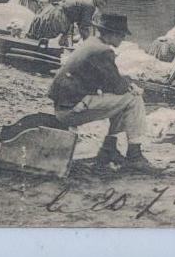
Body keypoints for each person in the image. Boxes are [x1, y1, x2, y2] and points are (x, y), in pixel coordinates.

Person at [47, 13, 154, 173]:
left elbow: (109, 82)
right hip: (70, 111)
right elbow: (117, 86)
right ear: (112, 34)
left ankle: (108, 149)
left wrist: (124, 83)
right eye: (121, 35)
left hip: (66, 105)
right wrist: (131, 85)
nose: (123, 39)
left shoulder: (91, 43)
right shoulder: (102, 51)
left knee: (123, 101)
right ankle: (134, 155)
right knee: (134, 99)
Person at [27, 0, 110, 46]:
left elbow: (82, 23)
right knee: (49, 39)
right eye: (104, 0)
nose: (105, 3)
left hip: (54, 11)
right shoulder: (90, 4)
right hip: (58, 16)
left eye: (106, 1)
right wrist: (89, 46)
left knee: (47, 38)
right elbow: (84, 28)